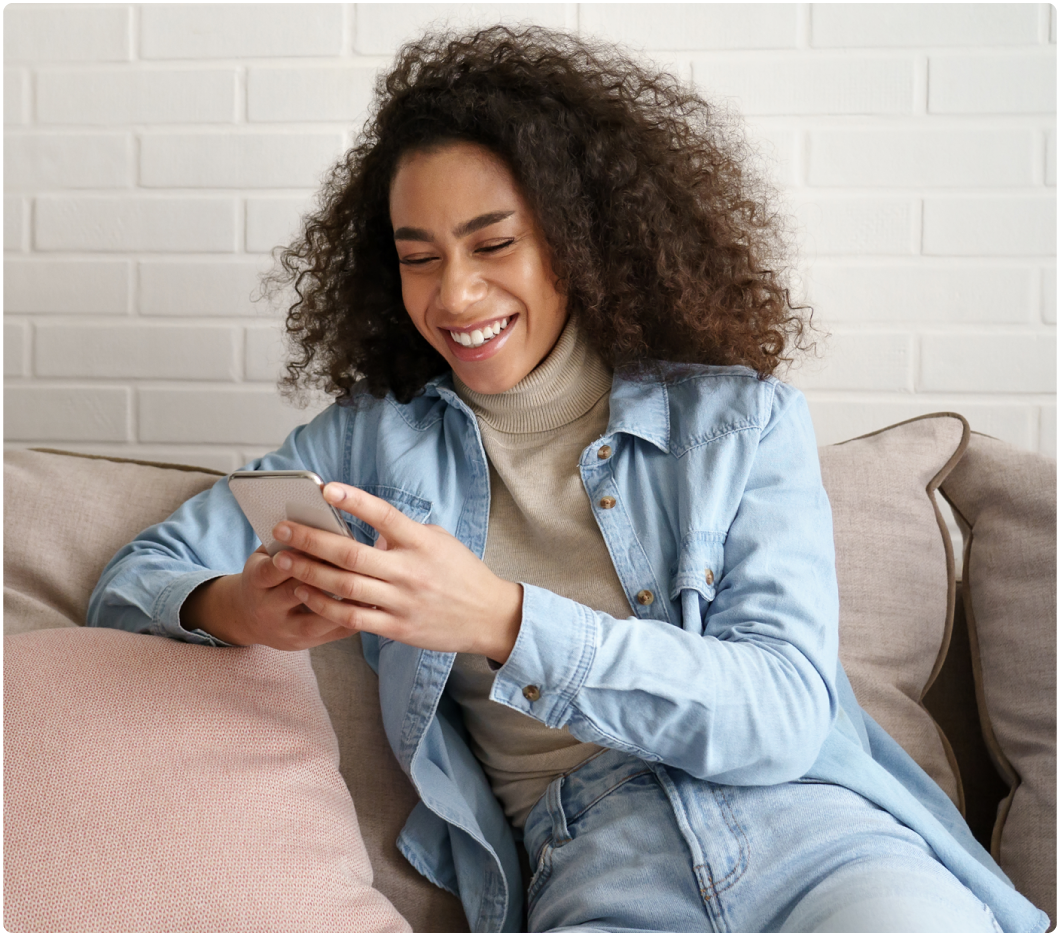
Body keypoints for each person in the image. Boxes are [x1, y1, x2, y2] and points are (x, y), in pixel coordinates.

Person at [89, 26, 1045, 934]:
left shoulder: (737, 421)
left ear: (580, 240)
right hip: (593, 863)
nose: (454, 296)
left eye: (493, 244)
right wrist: (235, 610)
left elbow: (785, 715)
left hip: (818, 837)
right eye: (418, 258)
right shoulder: (364, 447)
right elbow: (135, 579)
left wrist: (504, 620)